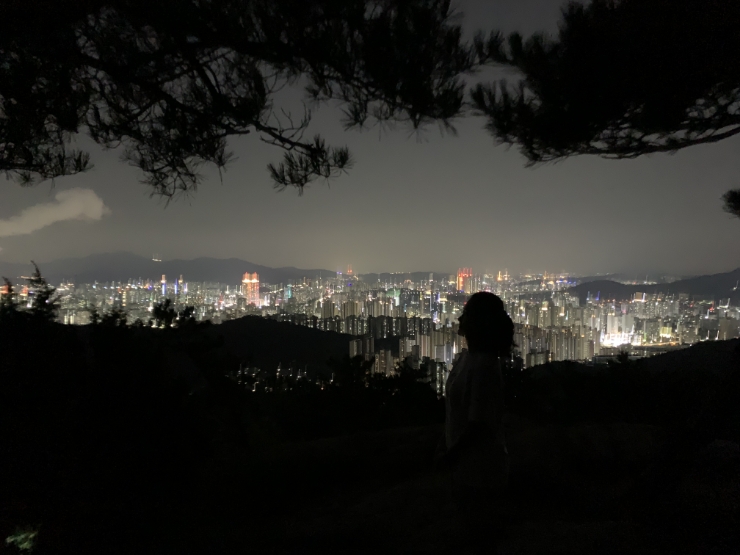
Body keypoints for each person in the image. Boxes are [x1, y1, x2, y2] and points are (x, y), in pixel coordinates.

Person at [438, 292, 513, 555]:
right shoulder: (466, 358)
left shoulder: (485, 366)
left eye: (467, 314)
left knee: (477, 536)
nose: (460, 318)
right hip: (464, 466)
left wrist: (451, 457)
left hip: (480, 469)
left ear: (480, 322)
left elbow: (479, 424)